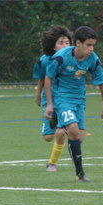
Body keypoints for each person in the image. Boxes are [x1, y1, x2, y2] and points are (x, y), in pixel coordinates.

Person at [44, 26, 103, 183]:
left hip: (80, 100)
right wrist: (50, 104)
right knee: (74, 131)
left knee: (79, 138)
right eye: (88, 45)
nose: (91, 49)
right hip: (62, 99)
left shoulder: (93, 59)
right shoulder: (61, 57)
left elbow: (102, 83)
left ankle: (62, 124)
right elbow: (48, 77)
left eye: (93, 45)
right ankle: (80, 174)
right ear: (78, 43)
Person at [33, 26, 72, 172]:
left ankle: (52, 163)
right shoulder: (44, 60)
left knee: (60, 132)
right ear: (53, 46)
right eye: (61, 43)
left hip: (66, 100)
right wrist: (38, 95)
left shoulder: (72, 59)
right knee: (48, 136)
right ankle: (60, 126)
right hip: (48, 100)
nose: (65, 46)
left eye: (67, 43)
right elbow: (41, 78)